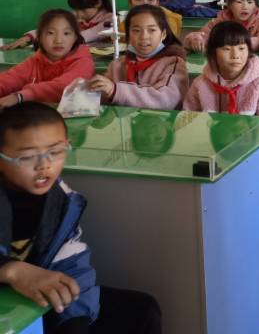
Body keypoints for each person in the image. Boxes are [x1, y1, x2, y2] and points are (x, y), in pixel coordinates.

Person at [0, 102, 162, 334]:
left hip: (40, 300)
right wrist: (13, 270)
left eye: (56, 151)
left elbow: (72, 264)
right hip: (10, 309)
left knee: (142, 310)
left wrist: (73, 319)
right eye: (27, 157)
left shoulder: (61, 201)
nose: (44, 165)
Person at [88, 5, 188, 110]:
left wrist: (116, 91)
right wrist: (92, 90)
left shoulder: (173, 64)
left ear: (163, 34)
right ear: (128, 35)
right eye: (136, 30)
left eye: (152, 30)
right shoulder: (117, 65)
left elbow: (166, 100)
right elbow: (105, 97)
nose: (144, 37)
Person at [0, 11, 95, 107]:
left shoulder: (83, 62)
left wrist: (21, 96)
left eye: (66, 33)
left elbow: (65, 87)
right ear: (39, 37)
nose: (58, 40)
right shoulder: (35, 60)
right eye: (50, 33)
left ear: (75, 37)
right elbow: (11, 78)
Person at [183, 22, 259, 116]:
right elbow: (189, 119)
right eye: (227, 49)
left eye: (241, 48)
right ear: (213, 53)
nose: (235, 55)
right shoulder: (201, 84)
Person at [2, 0, 114, 51]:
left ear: (98, 3)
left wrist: (46, 39)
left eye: (83, 10)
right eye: (75, 10)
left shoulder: (110, 20)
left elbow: (87, 35)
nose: (79, 14)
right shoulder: (74, 17)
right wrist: (28, 37)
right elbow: (51, 28)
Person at [184, 0, 259, 52]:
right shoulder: (220, 21)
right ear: (229, 5)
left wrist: (241, 43)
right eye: (239, 2)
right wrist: (197, 39)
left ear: (255, 6)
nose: (245, 7)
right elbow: (204, 33)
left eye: (250, 2)